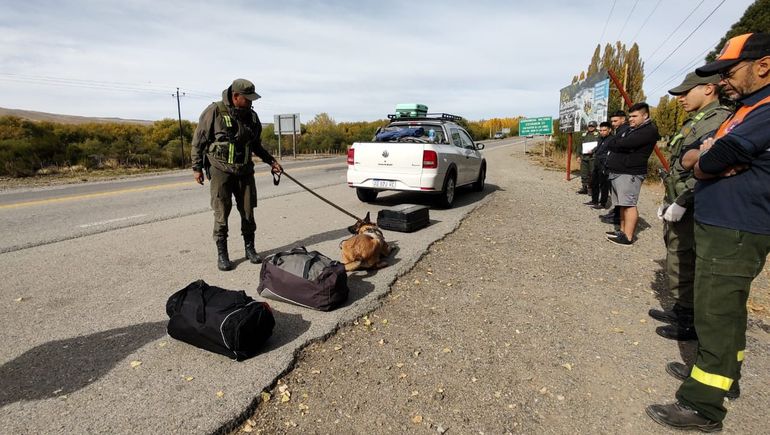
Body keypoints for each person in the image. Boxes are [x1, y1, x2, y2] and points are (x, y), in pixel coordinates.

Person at [647, 32, 770, 432]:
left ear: (763, 66)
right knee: (724, 311)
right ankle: (722, 379)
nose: (723, 80)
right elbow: (698, 153)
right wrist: (706, 158)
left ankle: (702, 406)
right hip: (724, 224)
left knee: (716, 314)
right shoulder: (746, 109)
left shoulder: (765, 110)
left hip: (737, 227)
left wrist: (705, 162)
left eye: (730, 71)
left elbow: (717, 155)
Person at [649, 72, 732, 342]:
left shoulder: (717, 120)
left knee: (688, 259)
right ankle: (682, 309)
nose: (681, 99)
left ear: (709, 88)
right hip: (680, 197)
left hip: (695, 201)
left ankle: (690, 321)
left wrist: (683, 200)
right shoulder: (697, 119)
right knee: (678, 254)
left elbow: (709, 164)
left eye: (686, 93)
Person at [191, 78, 283, 271]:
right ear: (235, 96)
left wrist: (272, 162)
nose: (251, 102)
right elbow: (199, 140)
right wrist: (196, 167)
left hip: (245, 171)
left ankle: (250, 249)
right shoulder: (214, 111)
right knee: (221, 212)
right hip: (220, 170)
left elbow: (256, 145)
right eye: (247, 99)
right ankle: (222, 254)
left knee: (248, 211)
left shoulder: (253, 117)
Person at [605, 103, 659, 245]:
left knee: (629, 205)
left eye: (634, 116)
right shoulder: (632, 129)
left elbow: (624, 144)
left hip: (630, 173)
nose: (631, 119)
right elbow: (613, 142)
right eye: (630, 116)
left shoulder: (648, 130)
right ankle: (622, 231)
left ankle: (628, 237)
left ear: (645, 115)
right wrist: (617, 142)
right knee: (622, 204)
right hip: (621, 171)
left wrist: (618, 143)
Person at [599, 111, 629, 226]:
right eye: (612, 121)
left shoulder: (625, 130)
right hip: (613, 166)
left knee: (621, 196)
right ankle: (616, 213)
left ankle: (618, 217)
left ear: (623, 119)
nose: (613, 123)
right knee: (615, 194)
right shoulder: (619, 130)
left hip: (621, 168)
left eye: (615, 121)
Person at [587, 121, 612, 208]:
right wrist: (593, 150)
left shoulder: (612, 139)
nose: (602, 132)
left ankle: (602, 203)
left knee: (604, 185)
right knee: (594, 183)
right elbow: (598, 147)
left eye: (604, 130)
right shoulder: (600, 138)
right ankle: (594, 201)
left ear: (609, 130)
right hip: (597, 163)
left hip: (605, 165)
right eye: (601, 130)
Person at [575, 121, 600, 194]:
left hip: (593, 157)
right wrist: (578, 156)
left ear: (595, 127)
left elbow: (600, 145)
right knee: (584, 173)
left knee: (593, 173)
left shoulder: (598, 135)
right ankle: (584, 188)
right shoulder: (584, 134)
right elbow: (579, 145)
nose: (590, 127)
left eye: (592, 126)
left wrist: (593, 150)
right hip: (584, 157)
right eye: (589, 126)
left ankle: (591, 188)